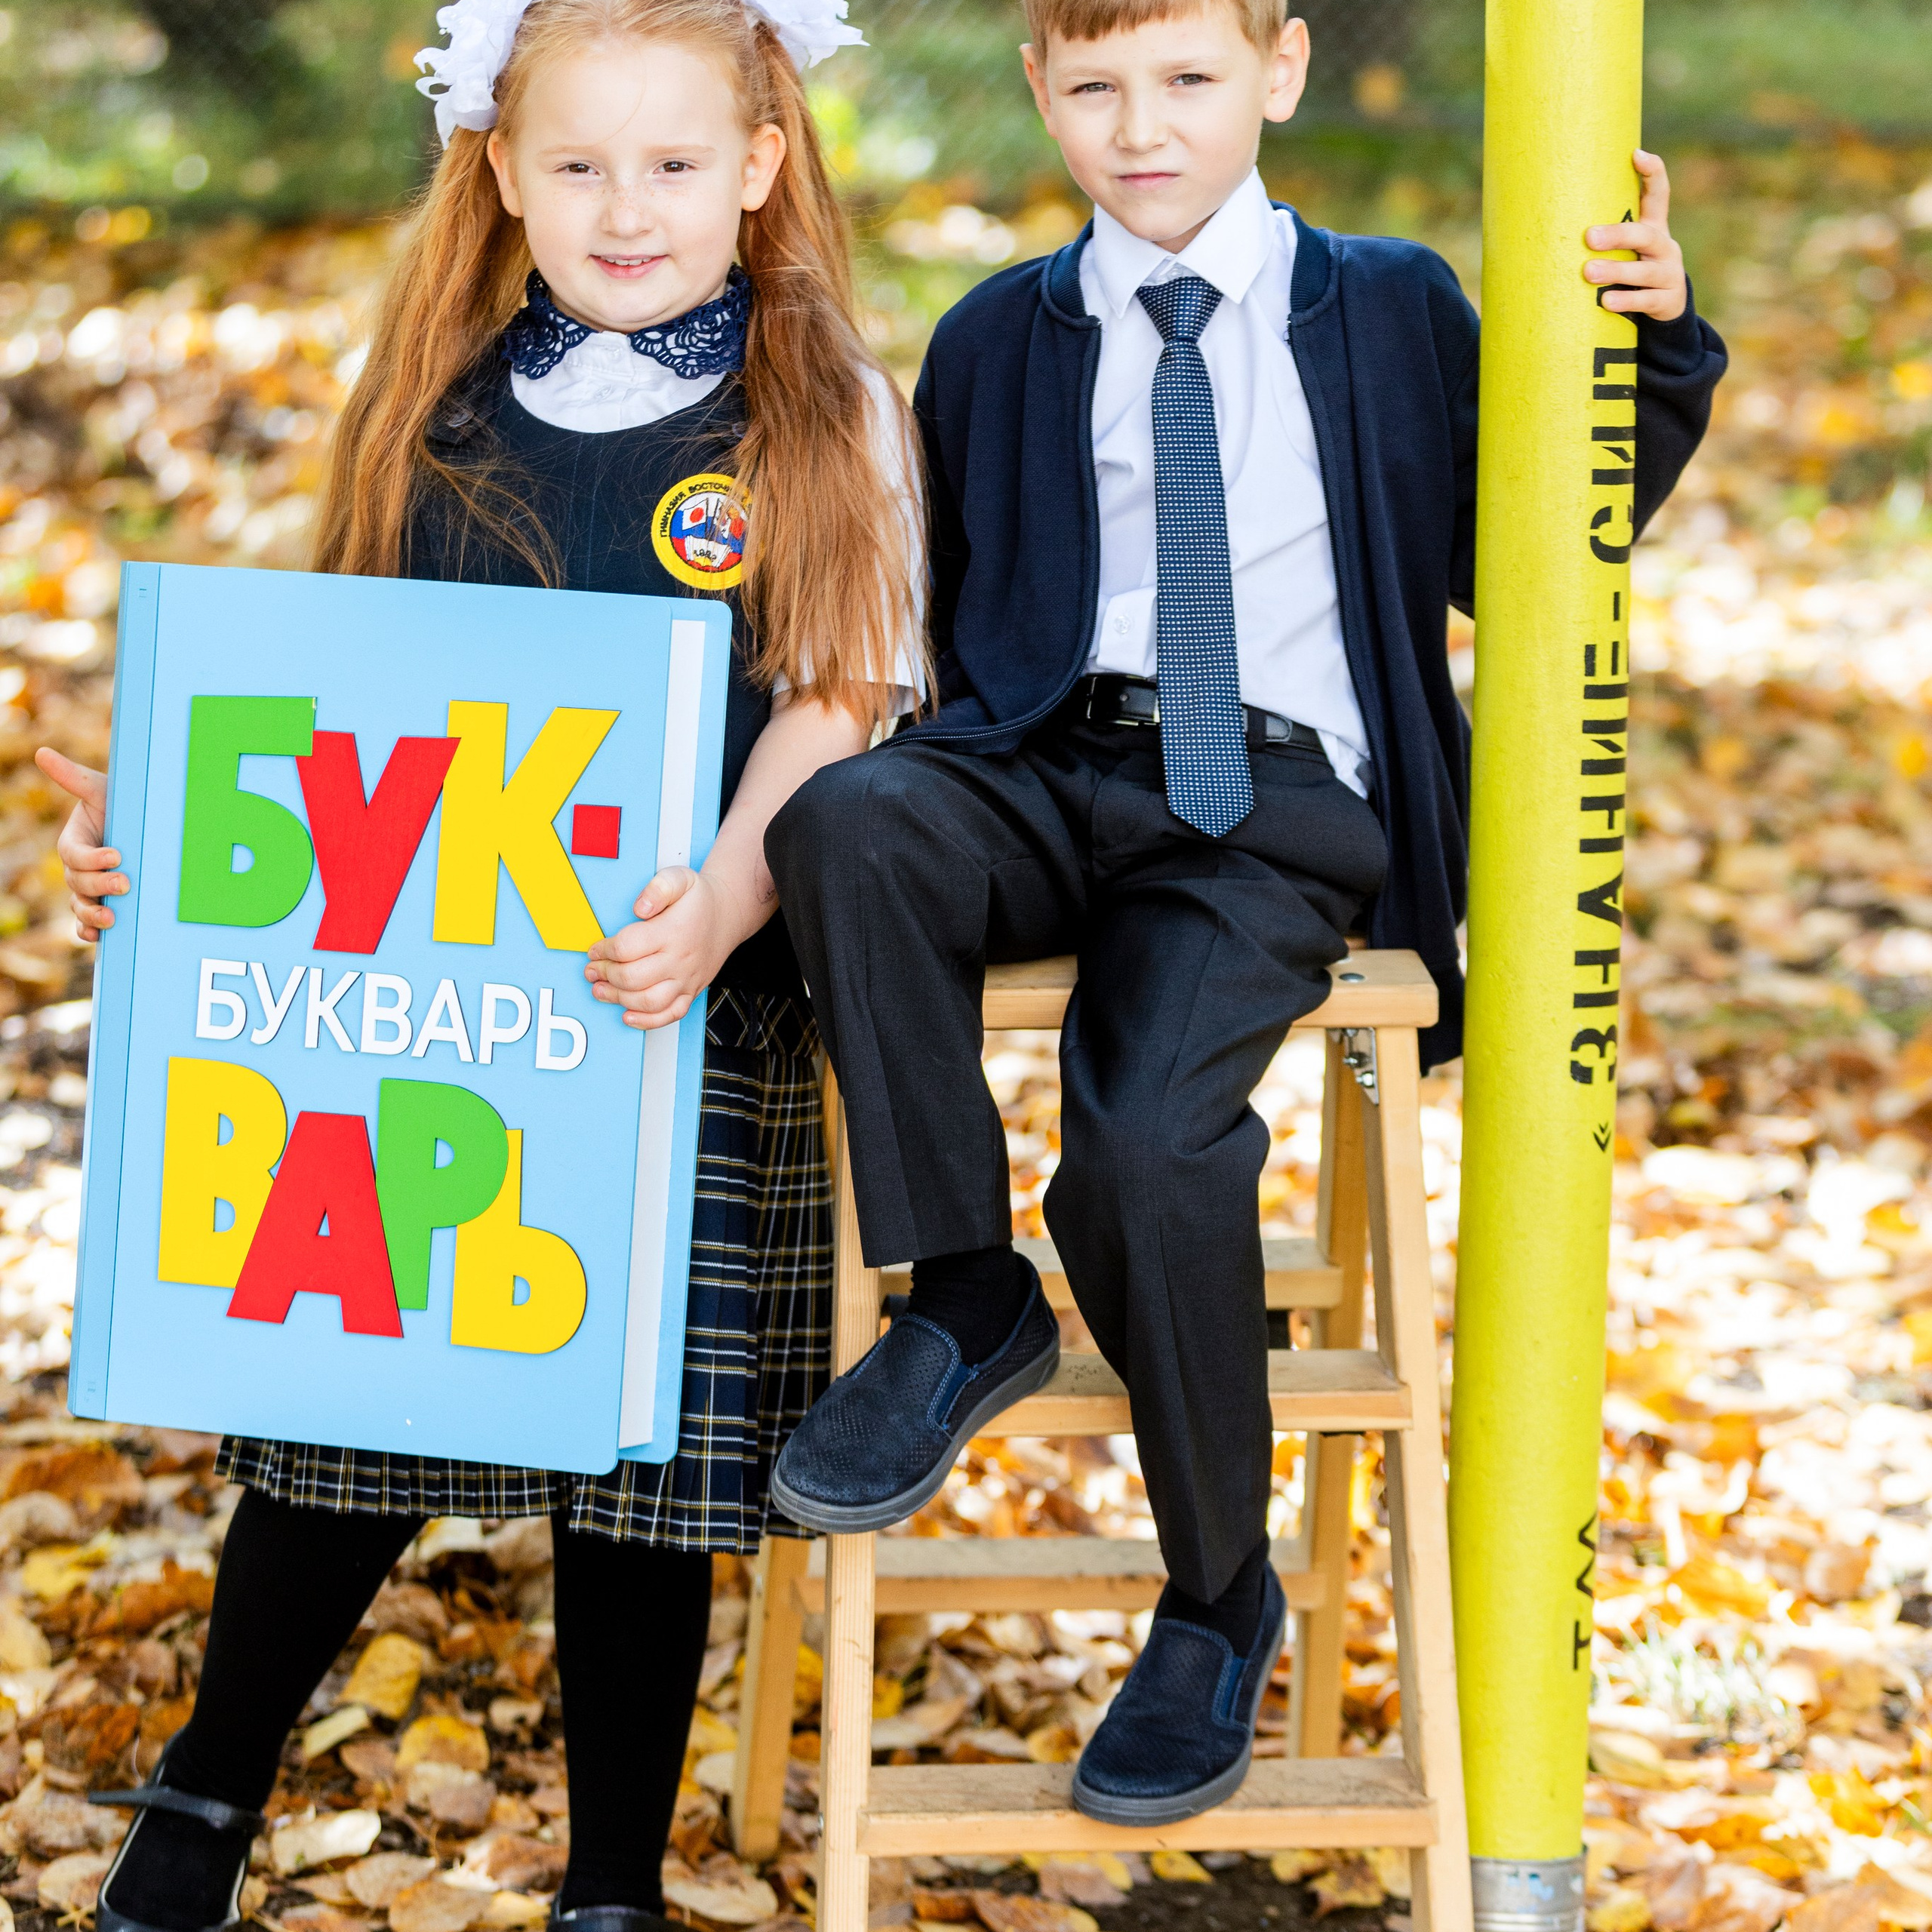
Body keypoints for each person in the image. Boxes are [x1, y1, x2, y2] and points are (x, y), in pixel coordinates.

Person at [764, 0, 1726, 1826]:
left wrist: (1654, 341)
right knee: (857, 821)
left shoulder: (1389, 306)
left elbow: (1528, 532)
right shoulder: (998, 337)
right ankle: (965, 1297)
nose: (1144, 127)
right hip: (1049, 758)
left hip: (1271, 806)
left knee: (1139, 1150)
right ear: (1040, 88)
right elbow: (946, 619)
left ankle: (1214, 1596)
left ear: (1277, 71)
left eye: (1188, 78)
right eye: (1098, 85)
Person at [37, 1, 921, 1927]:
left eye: (675, 165)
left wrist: (723, 894)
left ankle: (608, 1880)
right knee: (341, 1432)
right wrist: (176, 837)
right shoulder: (429, 395)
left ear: (760, 165)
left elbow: (842, 697)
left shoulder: (823, 401)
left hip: (677, 997)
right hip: (421, 1011)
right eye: (579, 166)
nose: (627, 208)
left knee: (641, 1465)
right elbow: (331, 708)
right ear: (501, 171)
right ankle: (201, 1799)